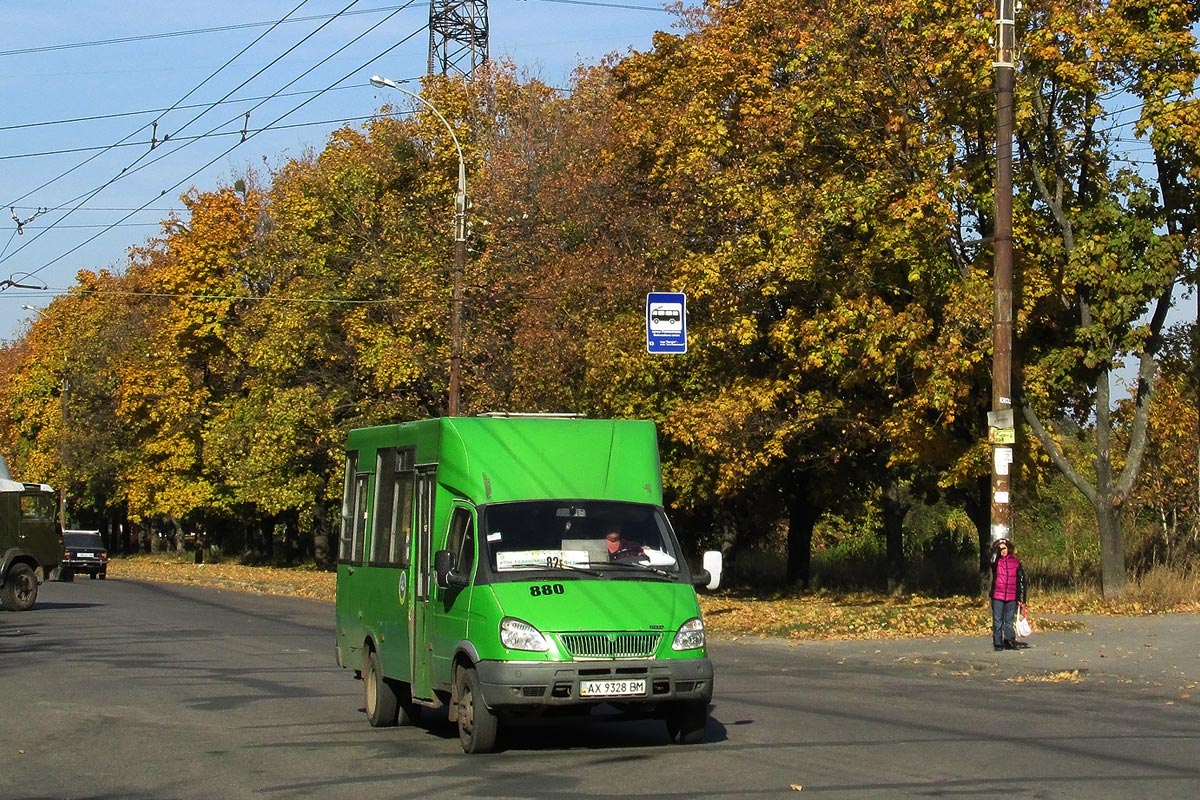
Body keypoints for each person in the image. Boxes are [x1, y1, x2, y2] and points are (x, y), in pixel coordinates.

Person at [989, 538, 1027, 651]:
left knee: (1009, 621)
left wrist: (1021, 599)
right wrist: (996, 549)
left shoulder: (1015, 562)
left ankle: (1009, 640)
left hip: (1011, 596)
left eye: (1004, 548)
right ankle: (998, 642)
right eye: (1000, 549)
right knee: (997, 621)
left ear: (1008, 548)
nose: (1003, 551)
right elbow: (992, 560)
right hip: (997, 596)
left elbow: (1022, 582)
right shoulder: (996, 562)